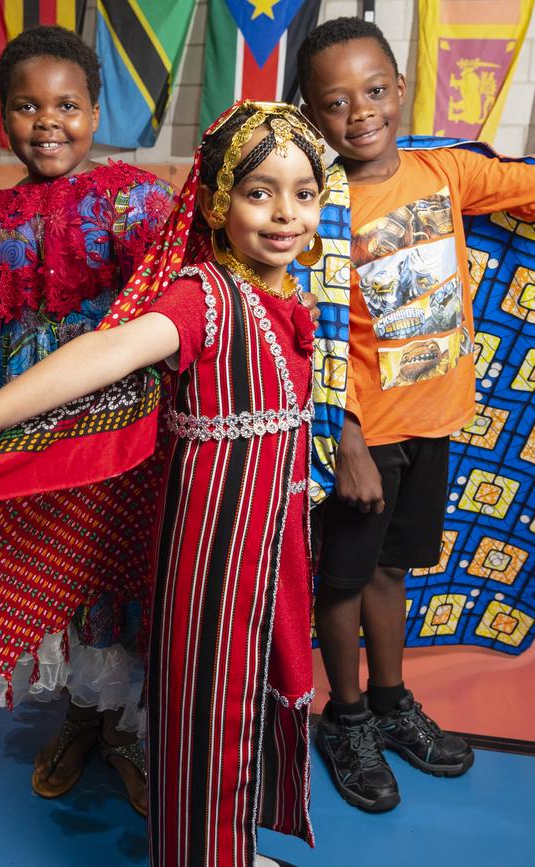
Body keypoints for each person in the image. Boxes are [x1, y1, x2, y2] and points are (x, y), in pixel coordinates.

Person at [0, 101, 330, 867]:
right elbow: (106, 351)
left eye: (303, 192)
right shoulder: (205, 298)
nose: (285, 213)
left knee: (252, 690)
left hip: (270, 541)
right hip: (216, 551)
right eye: (259, 191)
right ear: (215, 199)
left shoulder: (287, 295)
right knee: (211, 708)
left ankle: (224, 845)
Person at [296, 16, 535, 812]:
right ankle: (348, 715)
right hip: (362, 437)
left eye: (374, 91)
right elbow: (315, 337)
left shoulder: (443, 173)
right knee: (342, 578)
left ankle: (393, 701)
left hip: (434, 419)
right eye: (335, 102)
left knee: (391, 569)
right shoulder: (316, 209)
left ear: (399, 90)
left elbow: (524, 184)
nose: (360, 111)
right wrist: (350, 439)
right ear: (310, 112)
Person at [0, 24, 176, 811]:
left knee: (117, 566)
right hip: (25, 430)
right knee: (57, 569)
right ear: (0, 115)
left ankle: (123, 727)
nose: (48, 121)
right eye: (26, 106)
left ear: (96, 107)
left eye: (67, 104)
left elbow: (175, 315)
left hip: (117, 426)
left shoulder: (137, 200)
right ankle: (82, 716)